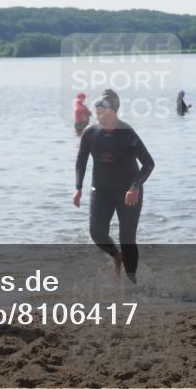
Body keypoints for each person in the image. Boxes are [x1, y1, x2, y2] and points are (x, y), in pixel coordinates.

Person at [73, 88, 154, 283]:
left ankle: (132, 283)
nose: (98, 113)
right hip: (101, 191)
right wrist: (78, 188)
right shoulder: (90, 133)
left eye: (103, 109)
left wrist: (135, 186)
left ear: (114, 110)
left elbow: (149, 163)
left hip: (128, 192)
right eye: (97, 109)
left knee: (127, 238)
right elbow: (81, 160)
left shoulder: (127, 134)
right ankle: (117, 257)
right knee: (97, 233)